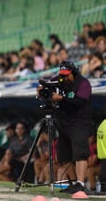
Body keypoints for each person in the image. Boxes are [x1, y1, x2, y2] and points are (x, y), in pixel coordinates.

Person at [37, 60, 92, 195]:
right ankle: (73, 182)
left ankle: (81, 183)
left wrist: (60, 98)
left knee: (80, 153)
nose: (64, 77)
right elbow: (47, 86)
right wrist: (41, 91)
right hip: (64, 122)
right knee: (63, 154)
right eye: (62, 74)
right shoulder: (59, 80)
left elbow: (80, 101)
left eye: (67, 74)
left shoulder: (83, 83)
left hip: (79, 122)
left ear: (73, 72)